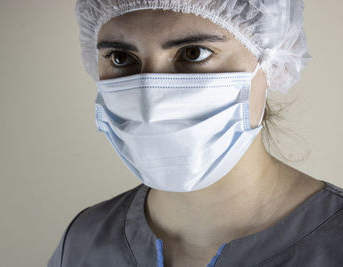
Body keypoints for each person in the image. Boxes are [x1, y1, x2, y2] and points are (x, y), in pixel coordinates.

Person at [48, 1, 343, 266]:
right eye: (120, 58)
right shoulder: (83, 241)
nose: (151, 100)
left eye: (193, 53)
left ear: (274, 61)